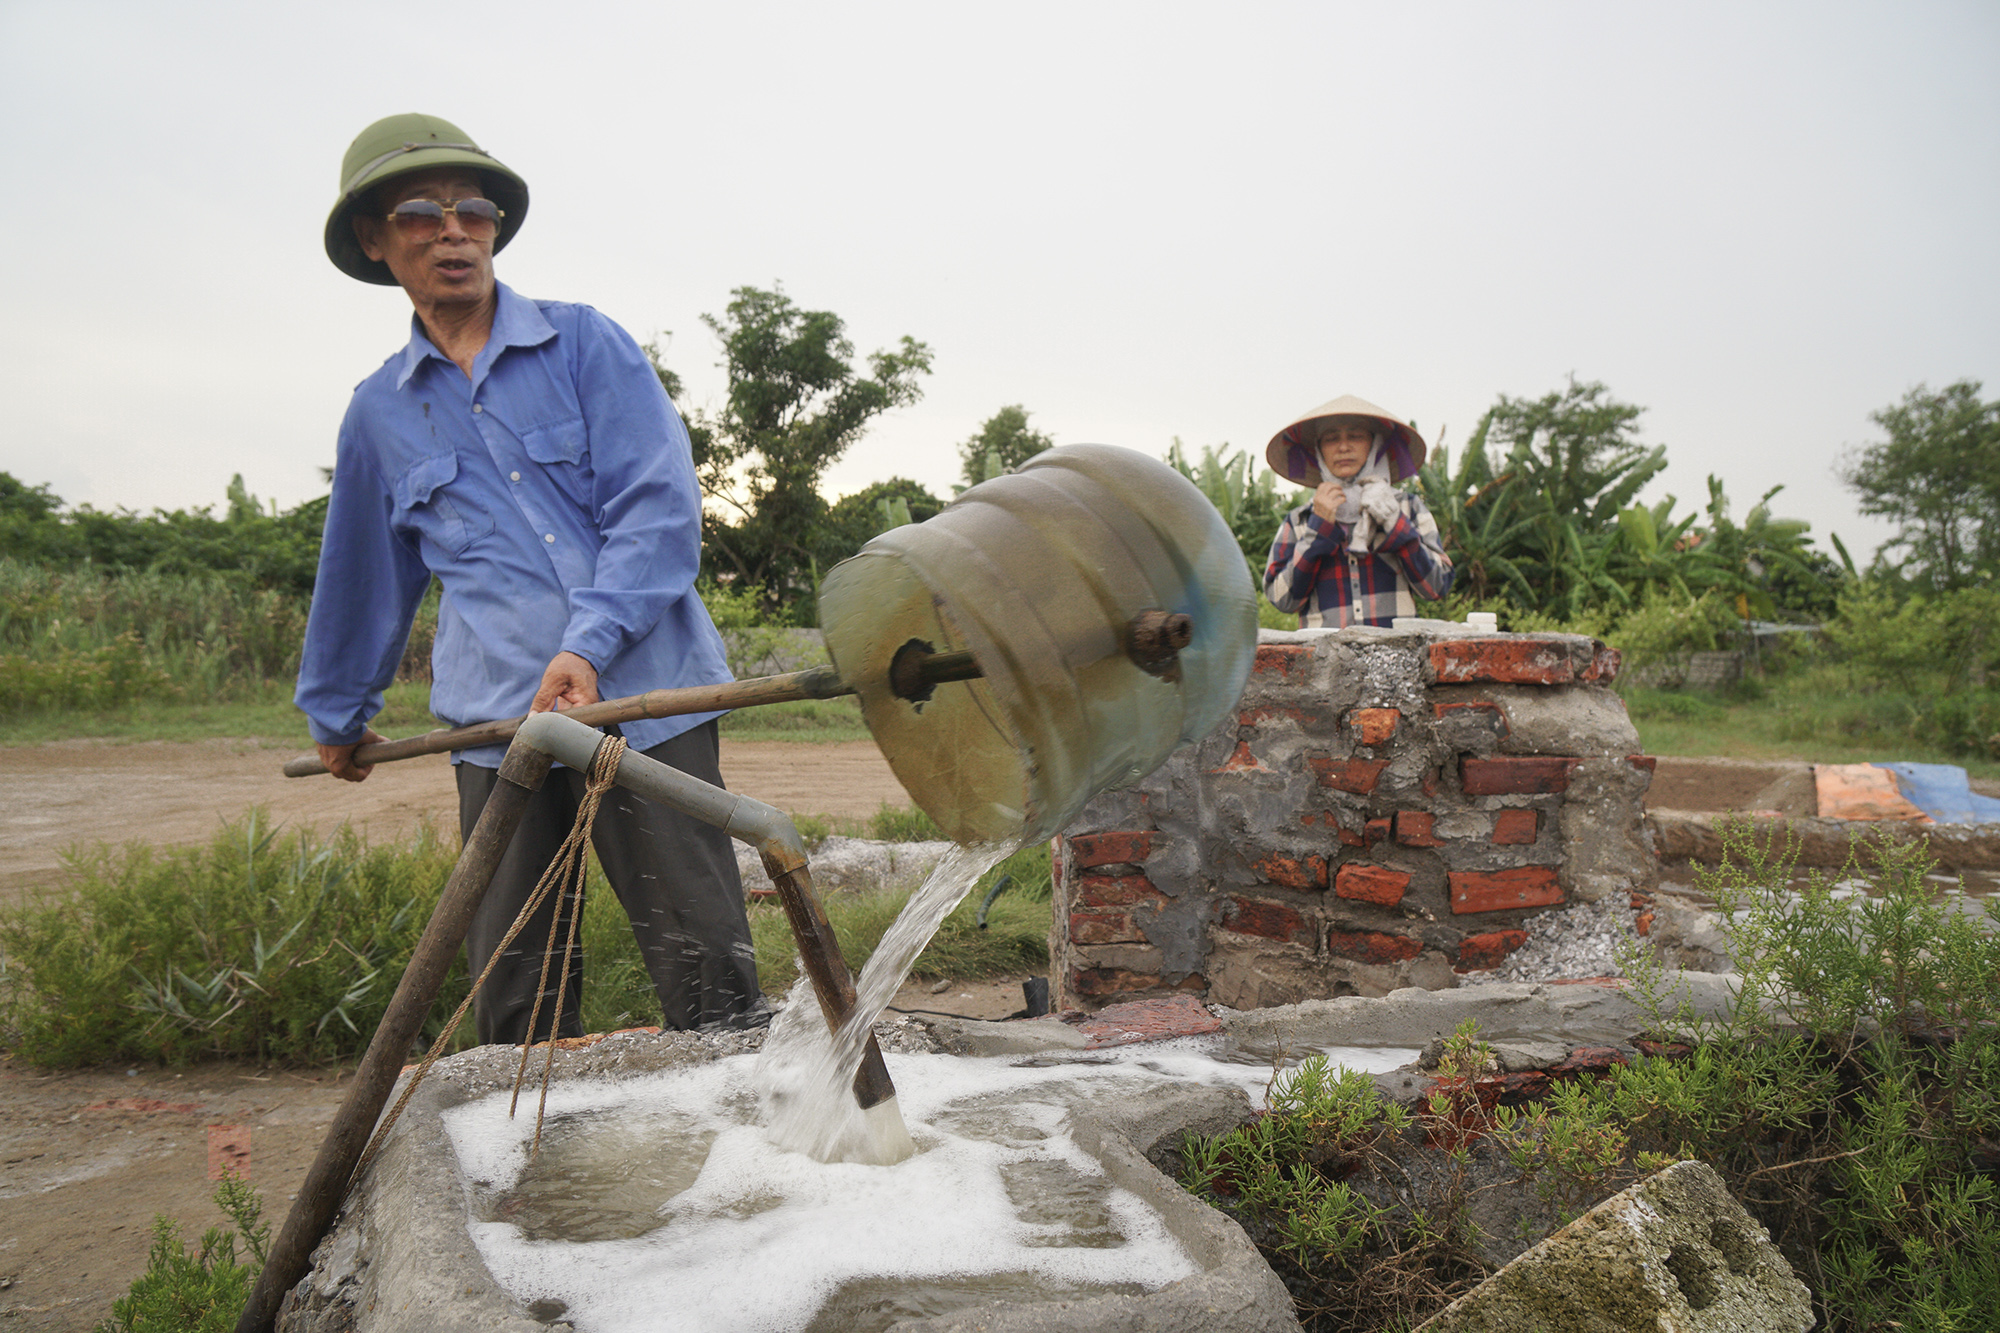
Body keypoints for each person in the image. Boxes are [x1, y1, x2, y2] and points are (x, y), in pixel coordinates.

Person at [297, 113, 766, 1042]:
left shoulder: (589, 346)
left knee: (708, 973)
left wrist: (584, 648)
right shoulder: (378, 415)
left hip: (647, 707)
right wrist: (337, 717)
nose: (452, 231)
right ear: (375, 240)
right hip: (500, 725)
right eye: (419, 214)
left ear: (495, 229)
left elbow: (660, 513)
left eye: (472, 210)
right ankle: (530, 1178)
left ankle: (752, 1167)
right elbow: (361, 577)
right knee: (516, 989)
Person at [1261, 395, 1454, 627]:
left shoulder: (1407, 508)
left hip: (1395, 656)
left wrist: (1395, 523)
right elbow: (1281, 600)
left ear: (1374, 444)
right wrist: (1317, 530)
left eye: (1355, 436)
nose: (1343, 447)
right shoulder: (1299, 520)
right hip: (1324, 659)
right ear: (1319, 451)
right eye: (1331, 439)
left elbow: (1437, 587)